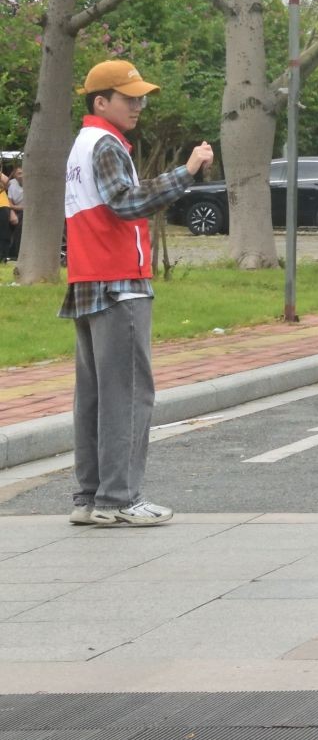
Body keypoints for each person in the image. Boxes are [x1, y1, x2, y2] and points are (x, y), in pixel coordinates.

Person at [64, 60, 212, 528]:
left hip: (89, 279)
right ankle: (119, 499)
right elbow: (126, 202)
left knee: (94, 398)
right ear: (100, 101)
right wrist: (186, 171)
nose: (139, 106)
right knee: (128, 394)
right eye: (129, 98)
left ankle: (90, 498)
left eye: (141, 98)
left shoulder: (84, 143)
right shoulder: (106, 144)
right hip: (119, 283)